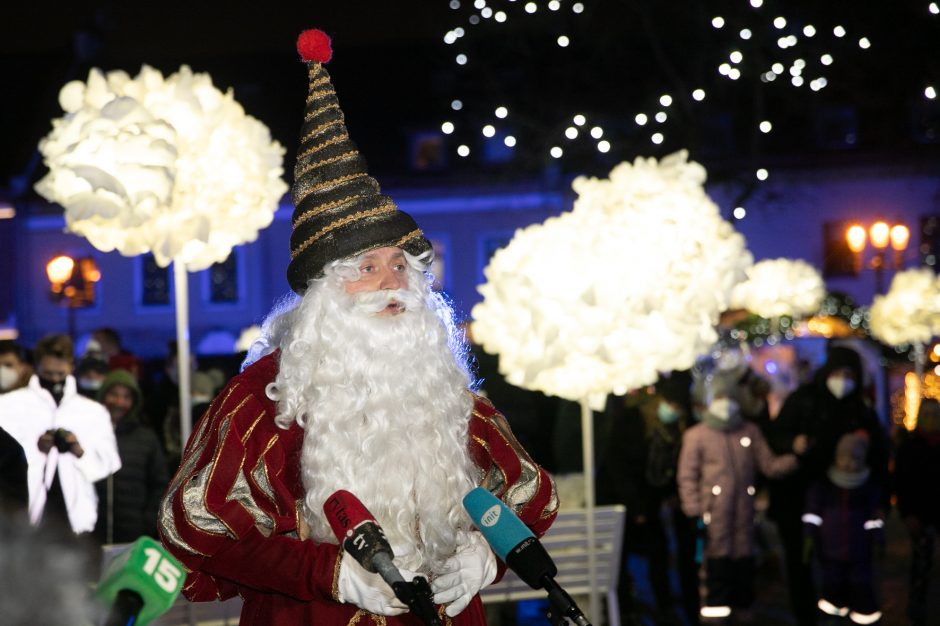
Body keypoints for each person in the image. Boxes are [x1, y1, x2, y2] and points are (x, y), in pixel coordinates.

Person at [158, 28, 557, 626]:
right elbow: (198, 524)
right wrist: (329, 572)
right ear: (322, 296)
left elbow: (527, 489)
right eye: (366, 268)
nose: (391, 282)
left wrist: (485, 555)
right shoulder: (263, 397)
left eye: (401, 266)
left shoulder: (444, 391)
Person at [765, 345, 889, 626]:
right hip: (797, 499)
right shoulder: (803, 400)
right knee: (801, 565)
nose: (843, 380)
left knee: (845, 566)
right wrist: (792, 443)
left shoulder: (861, 411)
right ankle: (806, 617)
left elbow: (879, 458)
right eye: (838, 372)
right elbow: (775, 435)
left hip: (846, 506)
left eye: (849, 374)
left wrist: (881, 502)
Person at [677, 364, 805, 623]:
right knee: (715, 577)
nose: (725, 404)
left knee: (743, 577)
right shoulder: (697, 436)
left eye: (729, 397)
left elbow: (768, 464)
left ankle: (743, 615)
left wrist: (796, 458)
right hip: (713, 520)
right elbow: (687, 476)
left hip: (743, 520)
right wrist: (694, 511)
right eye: (719, 398)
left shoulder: (749, 431)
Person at [597, 372, 699, 625]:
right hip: (620, 500)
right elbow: (617, 467)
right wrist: (637, 508)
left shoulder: (676, 427)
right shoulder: (632, 419)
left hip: (648, 501)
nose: (673, 410)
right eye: (671, 404)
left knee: (658, 554)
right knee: (620, 558)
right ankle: (624, 609)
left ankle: (664, 606)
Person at [0, 334, 121, 540]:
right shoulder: (8, 405)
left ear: (71, 366)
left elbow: (110, 463)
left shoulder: (92, 411)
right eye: (48, 374)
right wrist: (35, 448)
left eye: (60, 373)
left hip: (77, 519)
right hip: (23, 516)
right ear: (37, 366)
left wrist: (79, 451)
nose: (55, 380)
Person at [803, 430, 884, 625]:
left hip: (858, 554)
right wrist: (808, 537)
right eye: (844, 456)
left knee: (861, 591)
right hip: (831, 554)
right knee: (833, 591)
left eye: (854, 457)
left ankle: (863, 619)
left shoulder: (867, 489)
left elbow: (874, 519)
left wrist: (879, 539)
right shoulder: (824, 487)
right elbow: (812, 515)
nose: (848, 462)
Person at [94, 369, 168, 545]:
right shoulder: (86, 434)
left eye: (126, 397)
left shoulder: (146, 438)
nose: (119, 402)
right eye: (114, 394)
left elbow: (161, 486)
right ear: (103, 396)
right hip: (91, 536)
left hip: (133, 539)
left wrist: (147, 524)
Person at [894, 398, 940, 626]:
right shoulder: (910, 447)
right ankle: (917, 608)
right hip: (919, 515)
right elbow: (902, 483)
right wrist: (907, 513)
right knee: (921, 564)